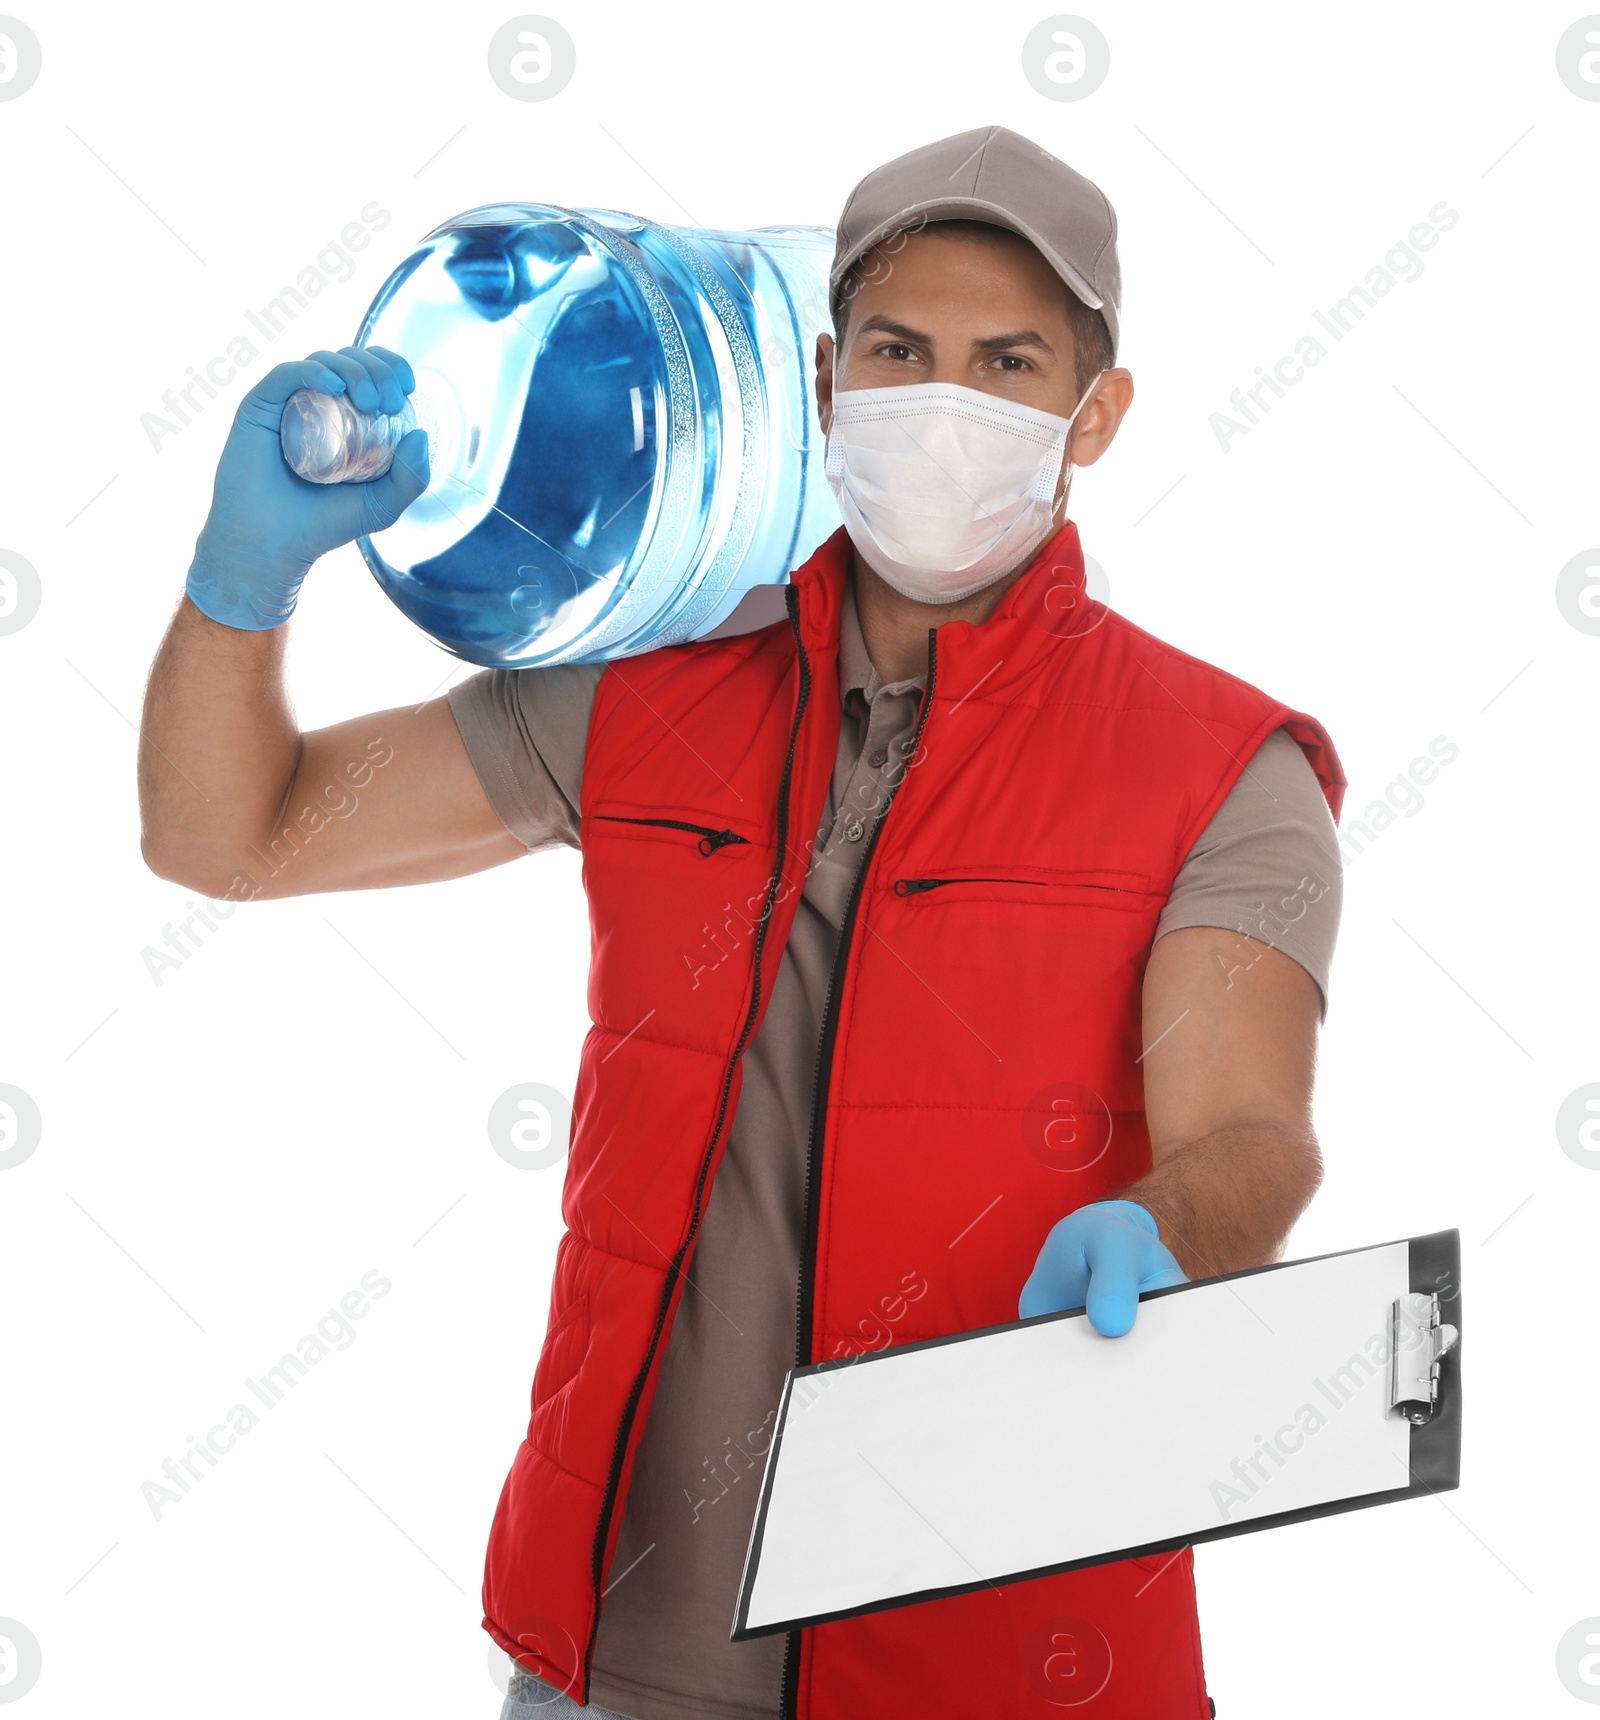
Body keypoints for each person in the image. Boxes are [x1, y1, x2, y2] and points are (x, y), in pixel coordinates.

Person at [138, 124, 1346, 1720]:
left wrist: (1171, 1229)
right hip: (615, 1656)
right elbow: (230, 836)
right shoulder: (647, 689)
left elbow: (1257, 1133)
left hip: (1002, 1662)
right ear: (832, 379)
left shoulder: (1218, 766)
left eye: (1008, 365)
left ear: (1095, 414)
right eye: (903, 352)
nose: (944, 405)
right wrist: (244, 580)